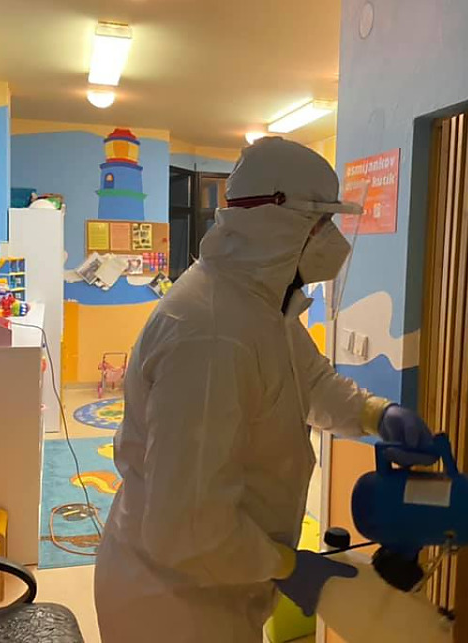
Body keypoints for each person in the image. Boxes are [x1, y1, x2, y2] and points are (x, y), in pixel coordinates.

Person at [94, 137, 436, 642]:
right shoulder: (211, 335)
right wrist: (288, 566)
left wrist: (375, 414)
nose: (331, 239)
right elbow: (186, 527)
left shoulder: (257, 305)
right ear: (278, 225)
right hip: (175, 604)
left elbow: (309, 381)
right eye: (321, 222)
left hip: (220, 583)